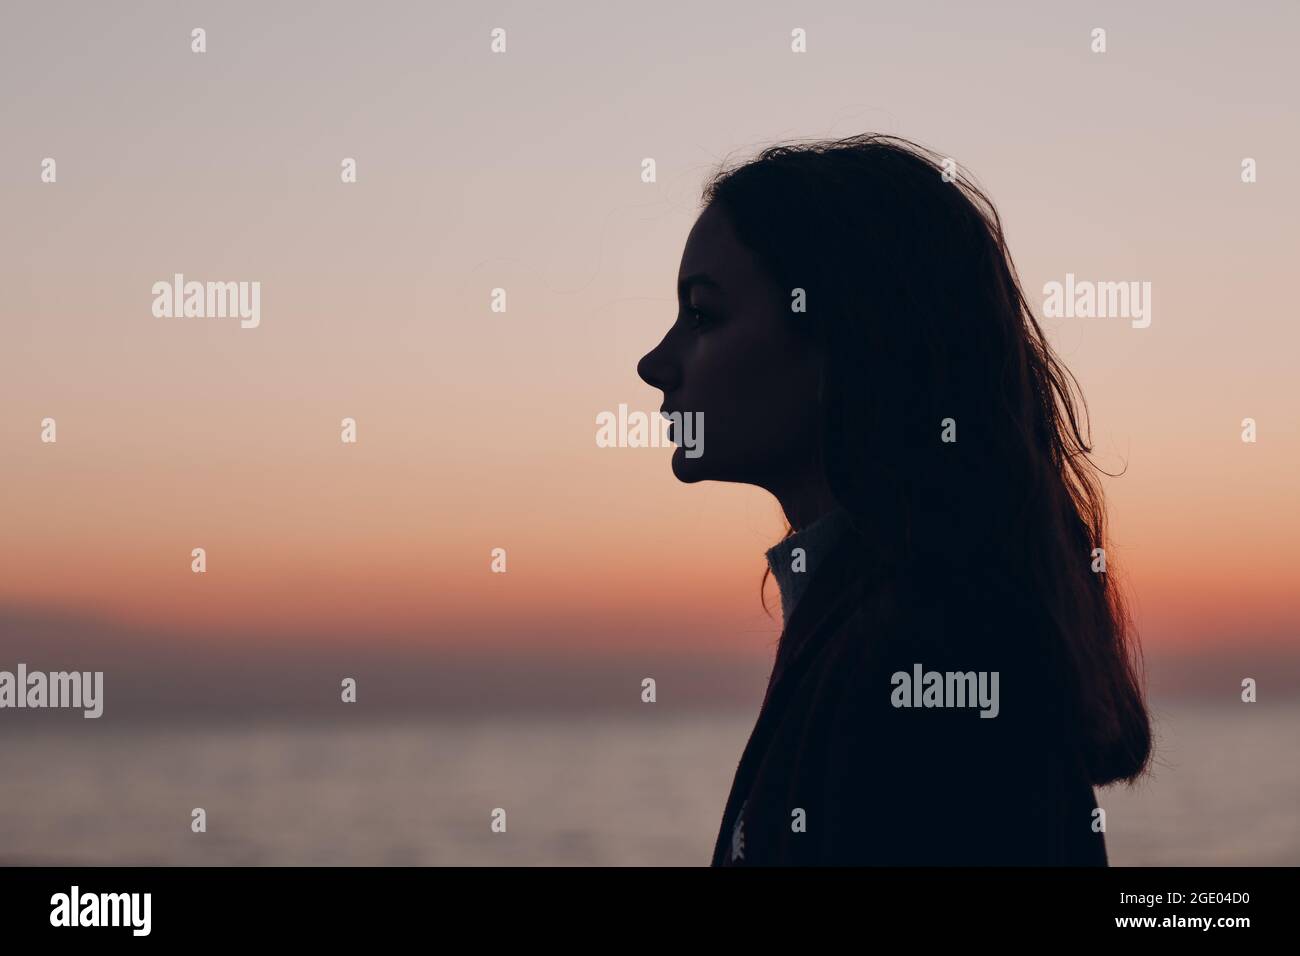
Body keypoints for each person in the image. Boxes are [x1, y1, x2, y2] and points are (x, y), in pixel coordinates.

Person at [636, 134, 1152, 866]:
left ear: (845, 340)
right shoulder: (887, 624)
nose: (655, 364)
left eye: (704, 315)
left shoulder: (922, 656)